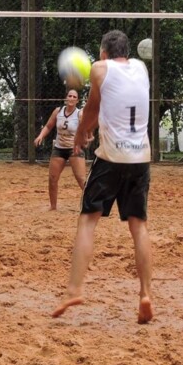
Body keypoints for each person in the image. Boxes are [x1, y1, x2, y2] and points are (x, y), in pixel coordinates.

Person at [51, 30, 155, 324]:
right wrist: (87, 128)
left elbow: (94, 107)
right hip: (141, 158)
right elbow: (104, 105)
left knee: (87, 221)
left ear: (104, 53)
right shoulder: (141, 68)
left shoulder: (99, 68)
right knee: (139, 227)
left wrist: (81, 135)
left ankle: (74, 289)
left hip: (111, 158)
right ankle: (145, 293)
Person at [34, 89, 89, 210]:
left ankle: (93, 205)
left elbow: (86, 130)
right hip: (59, 148)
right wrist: (40, 136)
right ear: (66, 98)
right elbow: (48, 126)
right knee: (52, 178)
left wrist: (86, 139)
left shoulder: (80, 114)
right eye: (70, 95)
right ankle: (53, 206)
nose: (71, 98)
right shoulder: (58, 111)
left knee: (81, 179)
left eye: (74, 96)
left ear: (77, 100)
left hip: (74, 148)